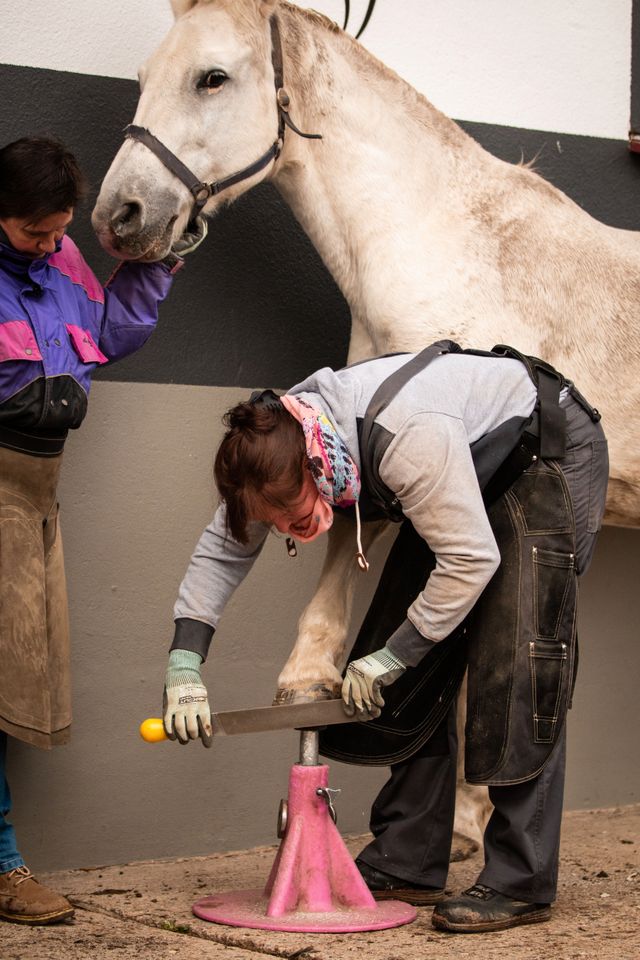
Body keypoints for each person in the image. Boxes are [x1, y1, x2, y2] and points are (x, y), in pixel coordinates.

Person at [162, 340, 608, 934]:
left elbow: (470, 559)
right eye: (269, 521)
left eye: (285, 511)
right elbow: (221, 552)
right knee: (407, 657)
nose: (280, 528)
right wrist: (184, 663)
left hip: (541, 456)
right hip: (458, 470)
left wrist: (394, 656)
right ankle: (409, 857)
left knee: (520, 656)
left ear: (317, 464)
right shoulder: (274, 442)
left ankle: (519, 879)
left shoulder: (406, 439)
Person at [0, 135, 206, 925]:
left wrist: (158, 259)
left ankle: (3, 864)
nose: (53, 246)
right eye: (34, 234)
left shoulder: (61, 270)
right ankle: (8, 865)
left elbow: (108, 331)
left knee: (11, 691)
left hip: (34, 504)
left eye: (60, 230)